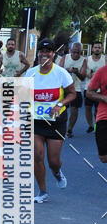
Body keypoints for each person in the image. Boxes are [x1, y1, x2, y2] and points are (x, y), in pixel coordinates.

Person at [24, 37, 76, 203]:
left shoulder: (61, 73)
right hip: (36, 122)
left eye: (48, 51)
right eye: (42, 51)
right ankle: (42, 192)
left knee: (53, 161)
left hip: (56, 122)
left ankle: (57, 173)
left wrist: (60, 104)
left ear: (53, 54)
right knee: (37, 156)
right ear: (38, 53)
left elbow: (72, 93)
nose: (44, 54)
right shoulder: (31, 73)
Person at [59, 42, 87, 137]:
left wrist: (77, 72)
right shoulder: (65, 57)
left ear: (81, 52)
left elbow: (83, 77)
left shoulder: (83, 60)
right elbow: (59, 71)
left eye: (78, 52)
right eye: (74, 52)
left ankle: (69, 129)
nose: (75, 54)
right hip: (63, 88)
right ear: (71, 50)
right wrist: (68, 70)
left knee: (74, 110)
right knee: (61, 109)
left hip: (76, 89)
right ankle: (60, 127)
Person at [85, 56, 107, 162]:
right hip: (104, 117)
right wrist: (104, 98)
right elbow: (89, 92)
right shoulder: (101, 72)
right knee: (103, 157)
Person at [84, 42, 105, 132]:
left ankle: (97, 126)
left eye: (99, 47)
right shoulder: (87, 59)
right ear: (92, 49)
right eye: (95, 47)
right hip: (88, 88)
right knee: (88, 108)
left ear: (101, 49)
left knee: (98, 109)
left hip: (100, 89)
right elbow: (84, 72)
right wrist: (88, 74)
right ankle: (90, 125)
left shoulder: (105, 59)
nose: (97, 49)